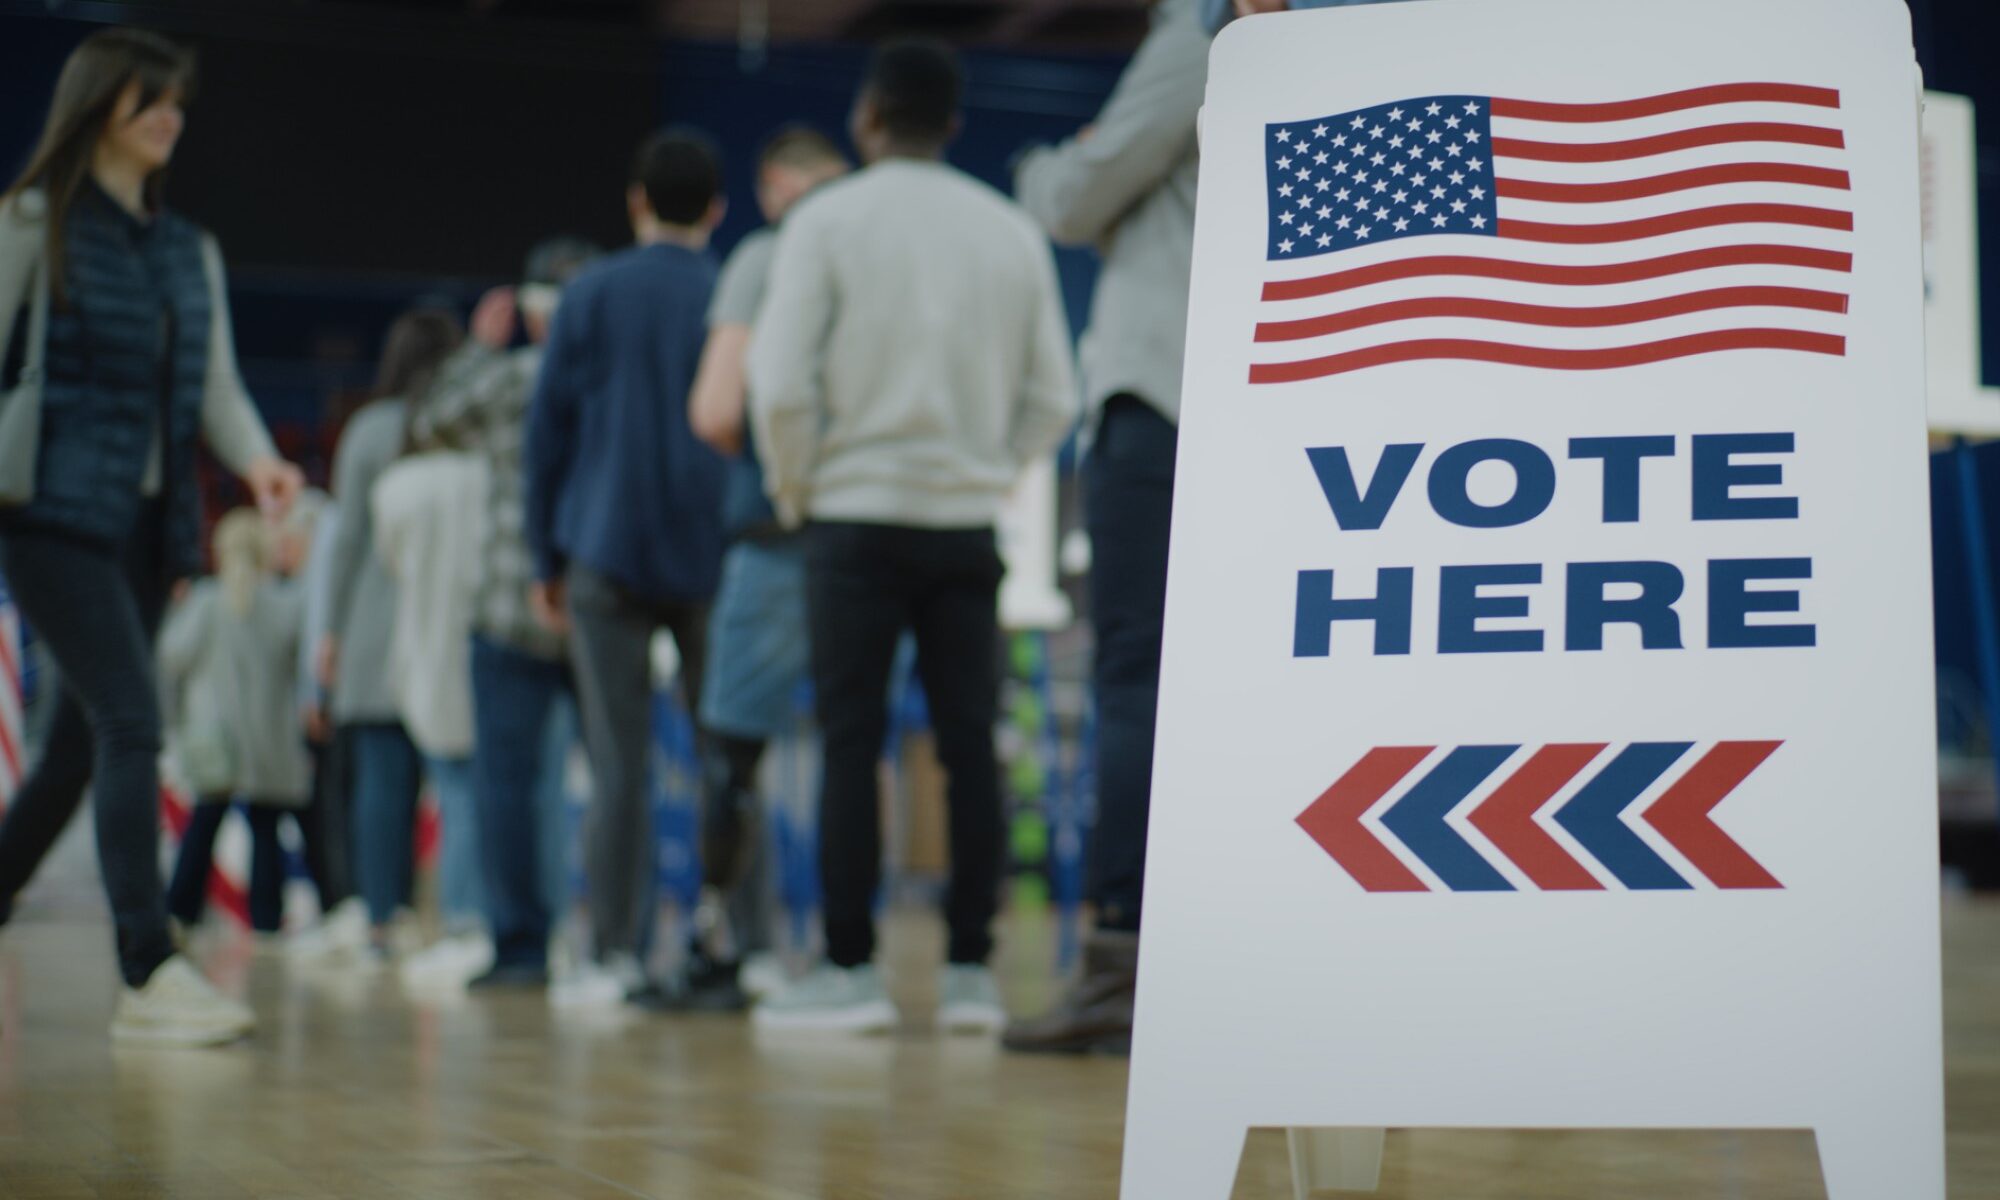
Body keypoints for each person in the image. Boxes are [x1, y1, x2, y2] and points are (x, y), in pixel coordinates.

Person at [746, 41, 1078, 1034]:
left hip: (849, 517)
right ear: (955, 123)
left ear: (868, 117)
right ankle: (973, 972)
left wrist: (801, 487)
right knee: (968, 743)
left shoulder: (825, 220)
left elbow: (778, 383)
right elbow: (1054, 397)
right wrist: (988, 468)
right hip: (963, 524)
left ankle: (849, 969)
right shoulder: (1008, 230)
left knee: (851, 743)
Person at [0, 28, 302, 1045]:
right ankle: (147, 970)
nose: (172, 117)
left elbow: (214, 389)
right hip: (44, 514)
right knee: (133, 720)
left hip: (143, 527)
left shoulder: (188, 251)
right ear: (100, 108)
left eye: (178, 101)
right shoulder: (29, 223)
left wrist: (256, 459)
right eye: (151, 101)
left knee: (76, 751)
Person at [1003, 0, 1208, 1055]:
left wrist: (1055, 159)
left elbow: (1075, 200)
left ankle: (1119, 969)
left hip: (1161, 401)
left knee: (1134, 675)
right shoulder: (1310, 50)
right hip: (1243, 403)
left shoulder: (1194, 38)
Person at [523, 130, 729, 1007]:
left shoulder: (590, 294)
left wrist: (546, 557)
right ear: (717, 210)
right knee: (730, 758)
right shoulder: (732, 293)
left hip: (602, 549)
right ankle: (743, 947)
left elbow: (547, 438)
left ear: (635, 200)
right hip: (718, 552)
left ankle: (612, 953)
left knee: (618, 766)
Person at [681, 125, 851, 1011]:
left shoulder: (766, 253)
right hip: (873, 531)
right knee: (851, 748)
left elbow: (715, 408)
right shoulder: (878, 247)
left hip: (774, 531)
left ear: (776, 185)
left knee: (733, 754)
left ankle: (718, 942)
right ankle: (842, 955)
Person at [408, 238, 600, 990]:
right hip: (597, 605)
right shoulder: (609, 383)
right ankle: (614, 943)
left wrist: (478, 348)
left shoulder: (507, 379)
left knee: (505, 788)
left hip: (505, 608)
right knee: (615, 781)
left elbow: (430, 421)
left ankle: (520, 945)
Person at [321, 308, 463, 959]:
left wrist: (329, 632)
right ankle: (460, 919)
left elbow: (344, 543)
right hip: (450, 627)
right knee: (456, 778)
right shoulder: (460, 425)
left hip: (376, 631)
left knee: (381, 780)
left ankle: (382, 920)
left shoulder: (368, 430)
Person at [373, 416, 491, 989]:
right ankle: (486, 921)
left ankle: (466, 923)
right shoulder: (486, 474)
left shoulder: (397, 486)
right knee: (491, 793)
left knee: (456, 792)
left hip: (426, 650)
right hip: (484, 644)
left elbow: (390, 563)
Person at [160, 509, 308, 936]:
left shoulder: (206, 599)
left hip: (215, 737)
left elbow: (173, 656)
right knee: (266, 827)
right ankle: (267, 922)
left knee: (204, 822)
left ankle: (180, 911)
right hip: (268, 738)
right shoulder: (285, 602)